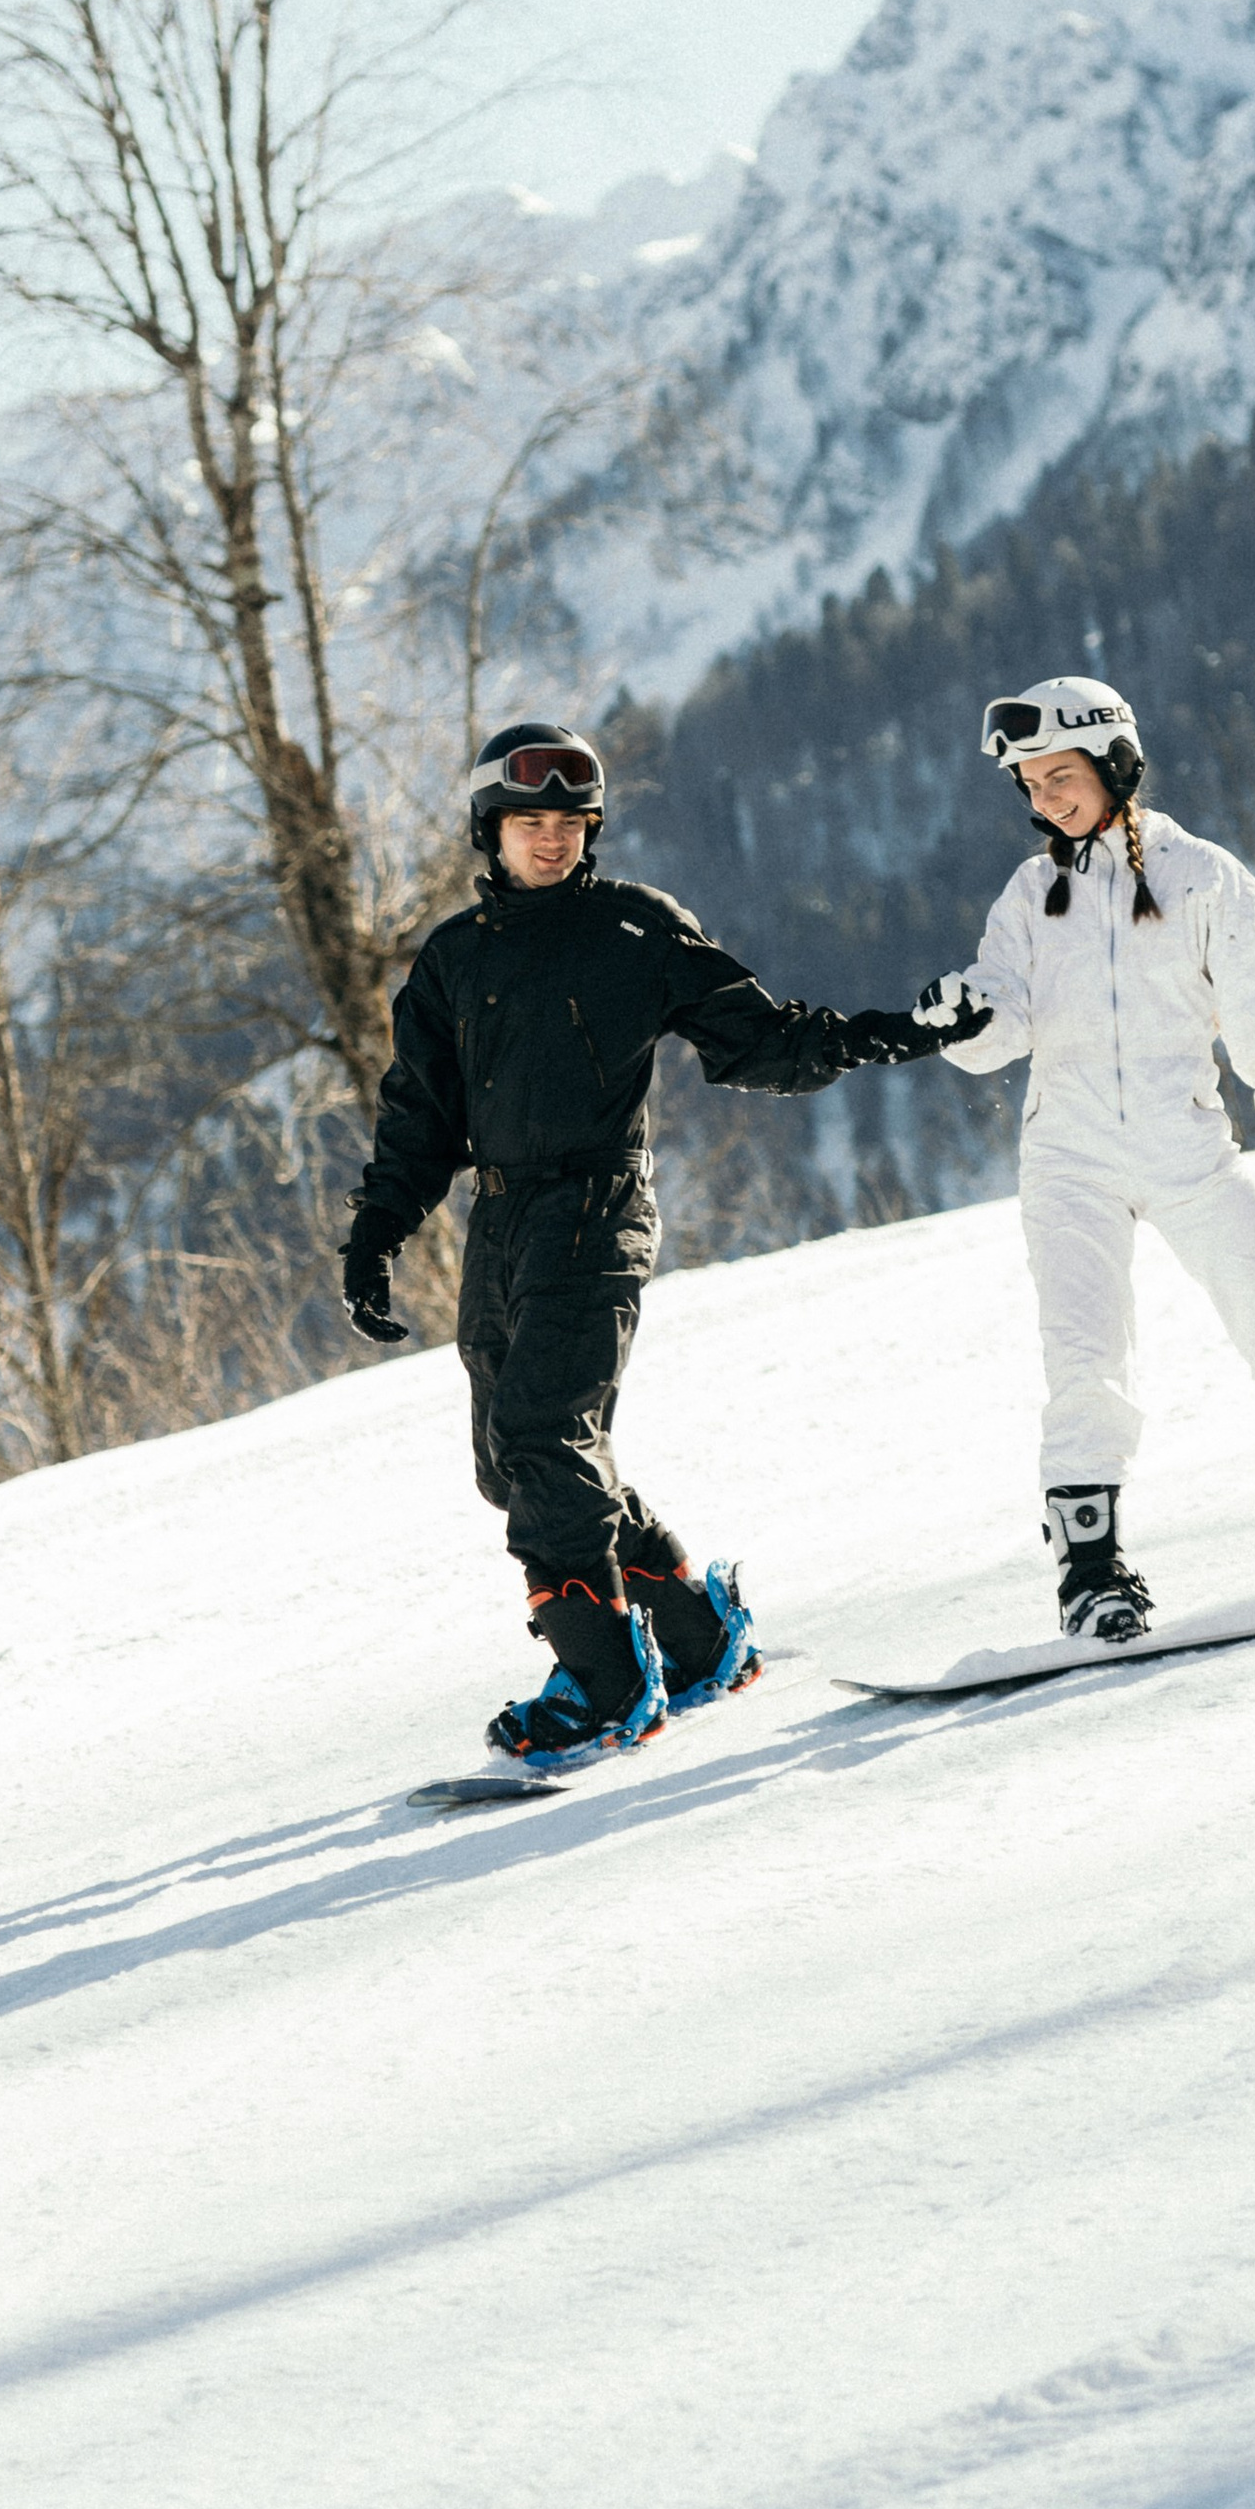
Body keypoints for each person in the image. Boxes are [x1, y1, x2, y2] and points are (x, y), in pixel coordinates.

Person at [341, 719, 979, 1771]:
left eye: (570, 823)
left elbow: (763, 1042)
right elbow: (418, 1115)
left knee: (545, 1435)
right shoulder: (456, 957)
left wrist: (900, 1030)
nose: (551, 841)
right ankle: (695, 1633)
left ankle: (604, 1684)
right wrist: (375, 1235)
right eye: (529, 822)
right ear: (489, 831)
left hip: (596, 1212)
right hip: (500, 1223)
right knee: (517, 1464)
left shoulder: (636, 930)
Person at [914, 674, 1255, 1642]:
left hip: (1185, 1146)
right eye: (1030, 783)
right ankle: (1091, 1577)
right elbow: (1001, 1022)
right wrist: (961, 1017)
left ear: (1115, 764)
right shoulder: (1032, 892)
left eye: (1060, 774)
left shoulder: (1204, 875)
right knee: (1085, 1358)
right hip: (1068, 1158)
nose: (1044, 797)